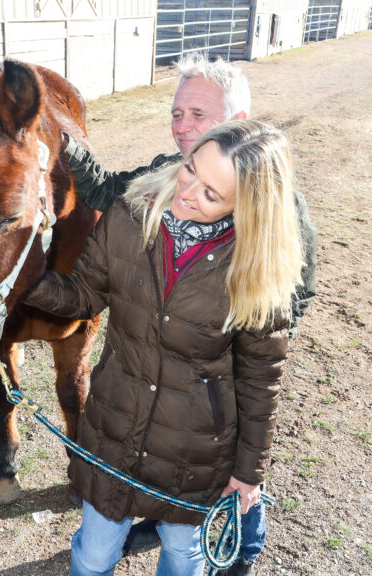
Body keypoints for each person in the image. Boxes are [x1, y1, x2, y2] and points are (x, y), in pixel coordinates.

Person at [62, 52, 318, 576]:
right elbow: (108, 194)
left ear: (238, 123)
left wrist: (249, 469)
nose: (182, 126)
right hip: (131, 417)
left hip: (200, 435)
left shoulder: (273, 231)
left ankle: (244, 551)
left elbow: (261, 367)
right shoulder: (161, 183)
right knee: (95, 550)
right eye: (178, 113)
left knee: (208, 536)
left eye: (198, 115)